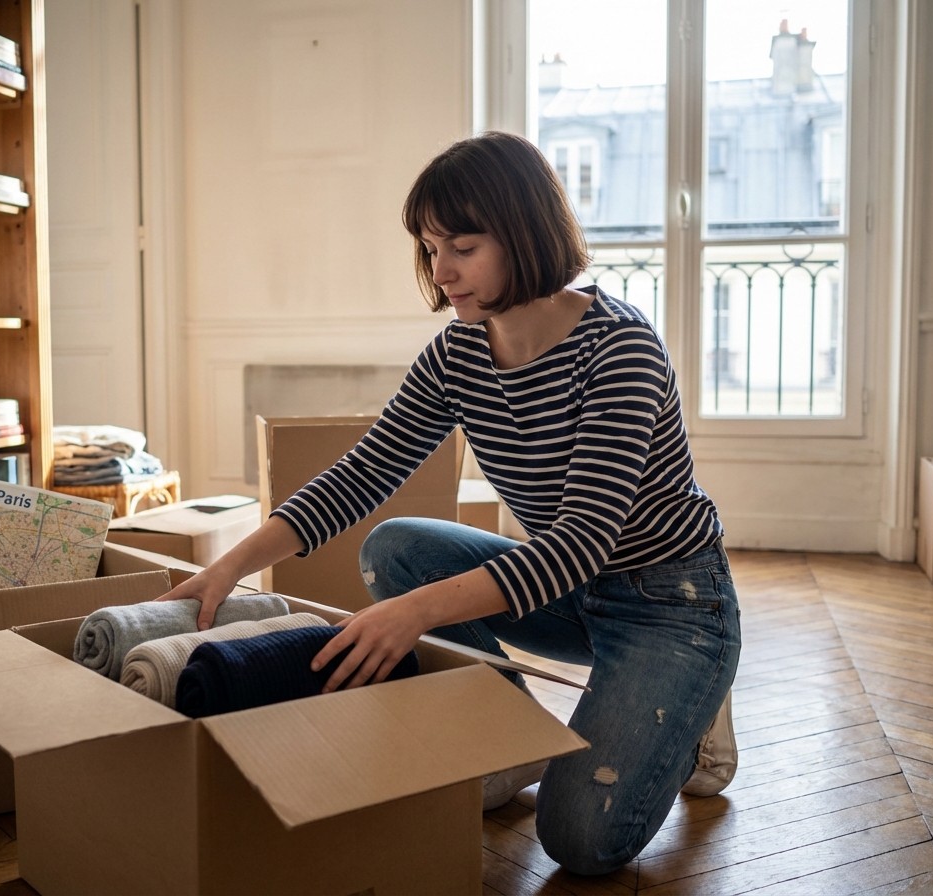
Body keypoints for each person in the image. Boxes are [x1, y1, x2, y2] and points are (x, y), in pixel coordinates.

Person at [157, 131, 741, 875]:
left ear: (526, 232)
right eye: (432, 249)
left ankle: (698, 697)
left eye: (462, 246)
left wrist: (419, 612)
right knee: (395, 545)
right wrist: (227, 568)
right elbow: (362, 474)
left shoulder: (619, 348)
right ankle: (507, 731)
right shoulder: (458, 352)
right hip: (572, 596)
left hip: (674, 601)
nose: (442, 272)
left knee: (580, 843)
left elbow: (580, 542)